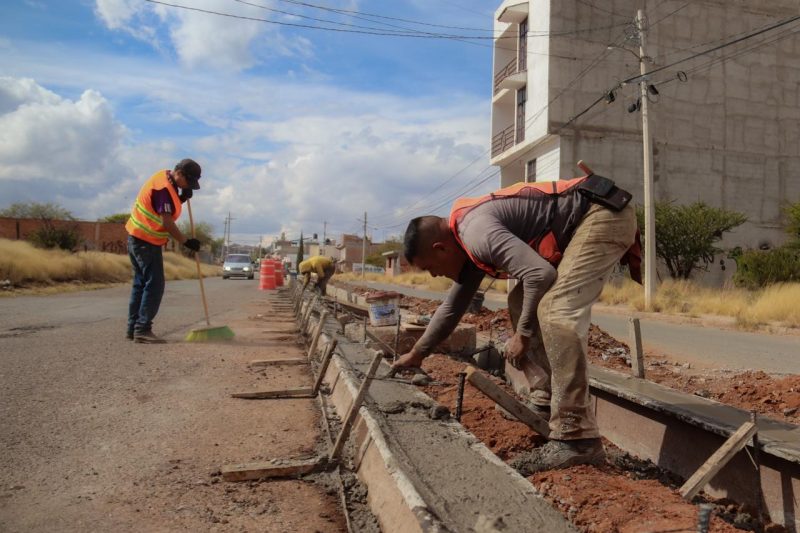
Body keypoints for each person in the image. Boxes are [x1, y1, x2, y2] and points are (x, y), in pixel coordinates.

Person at [393, 173, 640, 472]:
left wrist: (522, 334)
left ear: (440, 248)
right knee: (520, 302)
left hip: (601, 214)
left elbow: (540, 275)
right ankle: (545, 397)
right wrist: (417, 353)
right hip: (586, 218)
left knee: (555, 310)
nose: (434, 275)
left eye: (430, 268)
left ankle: (578, 437)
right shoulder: (464, 242)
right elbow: (452, 306)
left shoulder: (476, 233)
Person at [125, 159, 203, 343]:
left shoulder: (164, 178)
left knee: (141, 284)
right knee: (154, 285)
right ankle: (142, 329)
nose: (188, 185)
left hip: (136, 237)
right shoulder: (163, 189)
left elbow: (163, 206)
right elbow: (166, 222)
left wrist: (182, 198)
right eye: (188, 182)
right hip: (146, 242)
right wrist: (186, 242)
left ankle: (133, 328)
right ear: (180, 174)